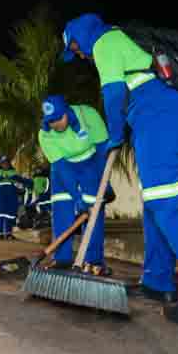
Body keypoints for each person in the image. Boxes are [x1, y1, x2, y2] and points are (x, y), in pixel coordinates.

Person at [62, 13, 178, 326]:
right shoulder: (124, 40)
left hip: (161, 115)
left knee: (167, 207)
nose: (79, 55)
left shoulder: (103, 42)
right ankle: (157, 282)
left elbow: (113, 93)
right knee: (155, 204)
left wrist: (115, 134)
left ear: (83, 36)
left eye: (75, 48)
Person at [37, 95, 115, 274]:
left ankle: (93, 261)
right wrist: (76, 196)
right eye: (51, 121)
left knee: (93, 212)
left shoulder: (89, 116)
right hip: (64, 168)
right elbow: (61, 168)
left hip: (91, 163)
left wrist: (105, 181)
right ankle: (62, 259)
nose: (56, 124)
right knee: (62, 210)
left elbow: (102, 151)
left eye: (59, 118)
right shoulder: (45, 134)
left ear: (67, 110)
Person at [0, 157, 31, 240]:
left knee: (10, 216)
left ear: (9, 164)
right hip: (0, 198)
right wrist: (5, 176)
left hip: (11, 198)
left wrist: (23, 185)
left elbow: (18, 180)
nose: (5, 165)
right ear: (0, 164)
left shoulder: (13, 172)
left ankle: (8, 233)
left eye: (7, 163)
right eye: (3, 163)